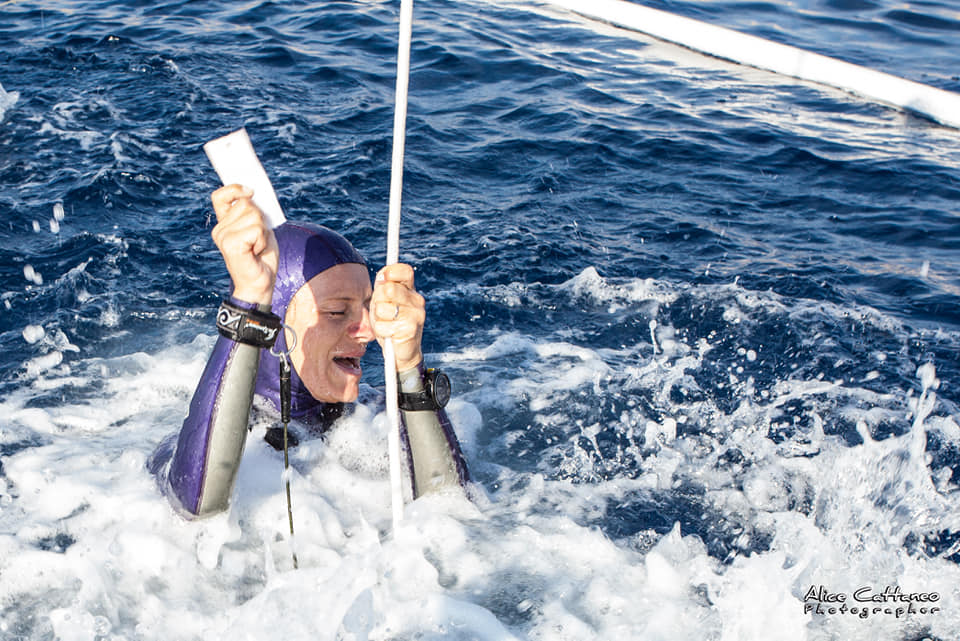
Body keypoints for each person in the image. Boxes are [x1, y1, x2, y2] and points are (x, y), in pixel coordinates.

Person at [156, 184, 468, 517]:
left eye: (367, 306)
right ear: (275, 325)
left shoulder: (378, 418)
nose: (370, 330)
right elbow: (197, 512)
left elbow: (452, 513)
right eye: (337, 312)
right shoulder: (203, 444)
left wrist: (409, 366)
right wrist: (248, 297)